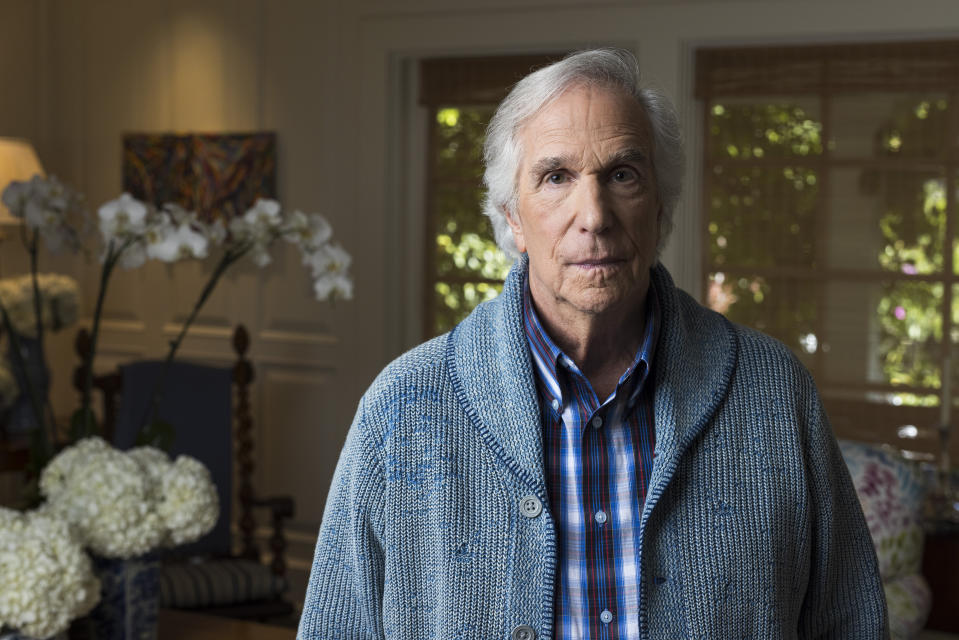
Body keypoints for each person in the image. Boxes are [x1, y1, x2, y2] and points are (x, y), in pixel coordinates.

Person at [297, 48, 887, 639]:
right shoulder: (402, 410)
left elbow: (851, 622)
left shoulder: (775, 393)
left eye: (622, 174)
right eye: (556, 177)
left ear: (661, 206)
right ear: (513, 218)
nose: (595, 215)